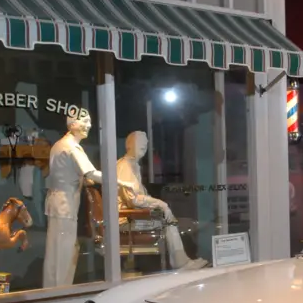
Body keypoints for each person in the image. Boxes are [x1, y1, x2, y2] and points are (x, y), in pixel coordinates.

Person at [43, 111, 133, 286]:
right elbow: (91, 173)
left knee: (55, 250)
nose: (89, 125)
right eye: (84, 121)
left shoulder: (59, 145)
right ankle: (60, 291)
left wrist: (84, 181)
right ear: (72, 124)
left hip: (57, 203)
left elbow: (66, 174)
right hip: (65, 205)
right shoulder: (72, 147)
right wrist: (121, 182)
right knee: (64, 251)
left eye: (90, 121)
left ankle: (52, 290)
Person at [117, 130, 207, 270]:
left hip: (135, 218)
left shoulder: (133, 165)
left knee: (177, 221)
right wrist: (160, 204)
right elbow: (133, 200)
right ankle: (181, 263)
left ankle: (183, 259)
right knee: (169, 221)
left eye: (145, 143)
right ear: (129, 145)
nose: (144, 145)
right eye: (140, 142)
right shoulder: (125, 166)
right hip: (127, 222)